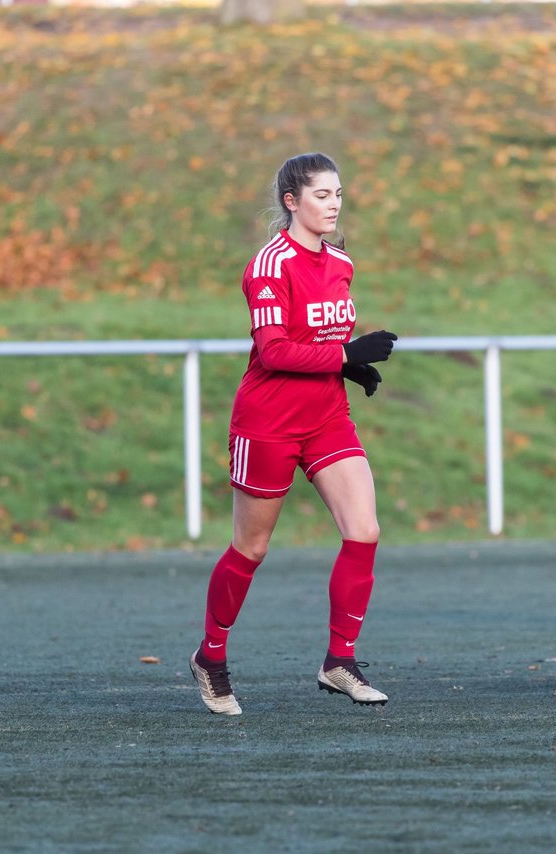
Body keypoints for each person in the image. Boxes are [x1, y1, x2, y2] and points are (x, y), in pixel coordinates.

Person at [188, 152, 397, 716]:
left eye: (338, 195)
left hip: (327, 416)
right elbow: (275, 351)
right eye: (322, 195)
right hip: (268, 422)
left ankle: (339, 661)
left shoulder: (339, 261)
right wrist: (345, 354)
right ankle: (210, 658)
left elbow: (321, 338)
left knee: (365, 530)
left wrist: (347, 367)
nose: (333, 205)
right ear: (291, 201)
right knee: (251, 548)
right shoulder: (269, 264)